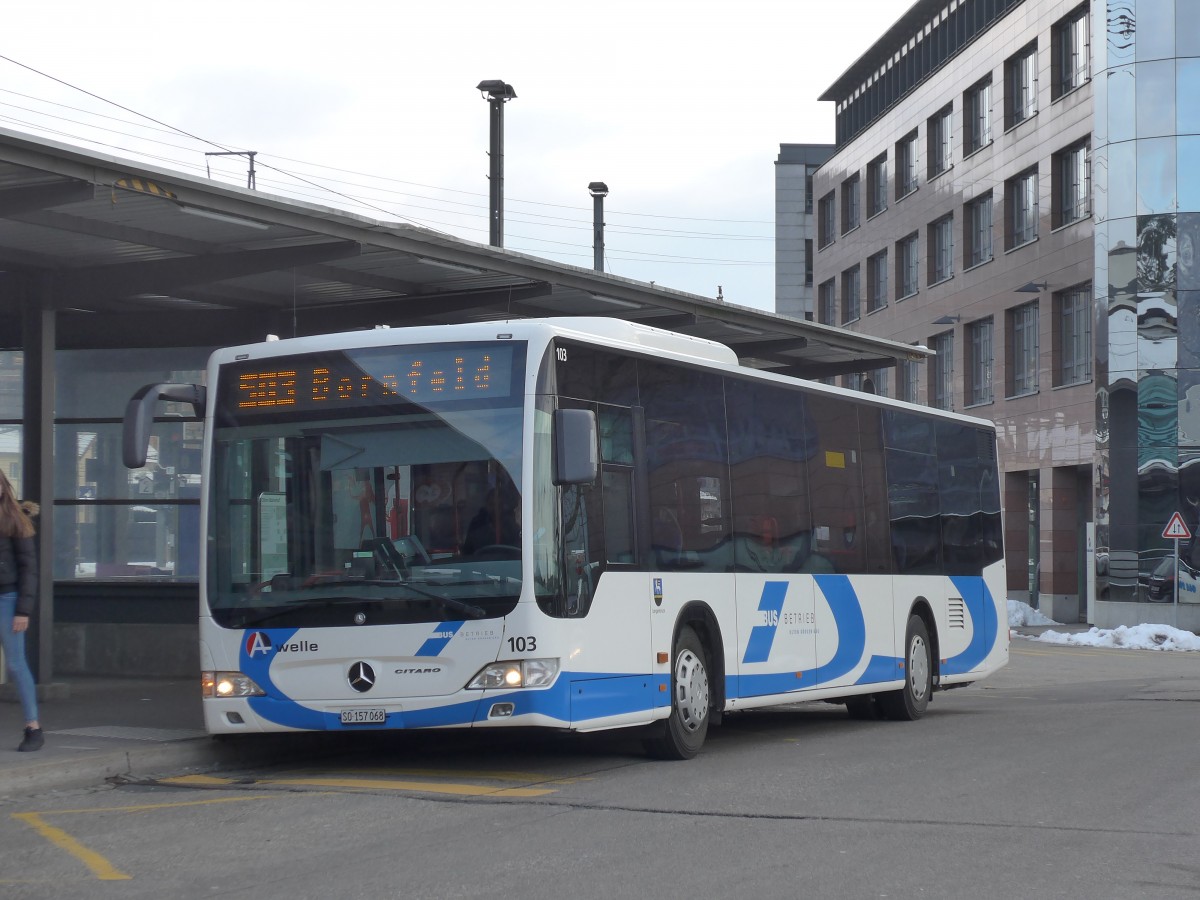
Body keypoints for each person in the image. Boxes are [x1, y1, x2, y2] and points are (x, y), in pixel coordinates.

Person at [0, 470, 43, 752]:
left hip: (9, 598)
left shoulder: (16, 519)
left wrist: (23, 610)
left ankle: (33, 729)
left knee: (15, 664)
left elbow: (29, 569)